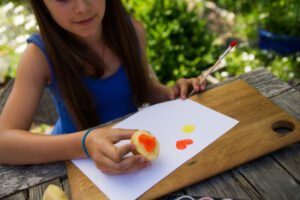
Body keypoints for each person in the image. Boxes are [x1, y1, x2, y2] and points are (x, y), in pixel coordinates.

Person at [0, 0, 205, 174]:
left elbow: (144, 89)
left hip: (132, 157)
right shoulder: (38, 56)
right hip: (71, 164)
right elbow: (3, 143)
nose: (82, 7)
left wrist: (175, 91)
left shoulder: (132, 32)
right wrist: (85, 143)